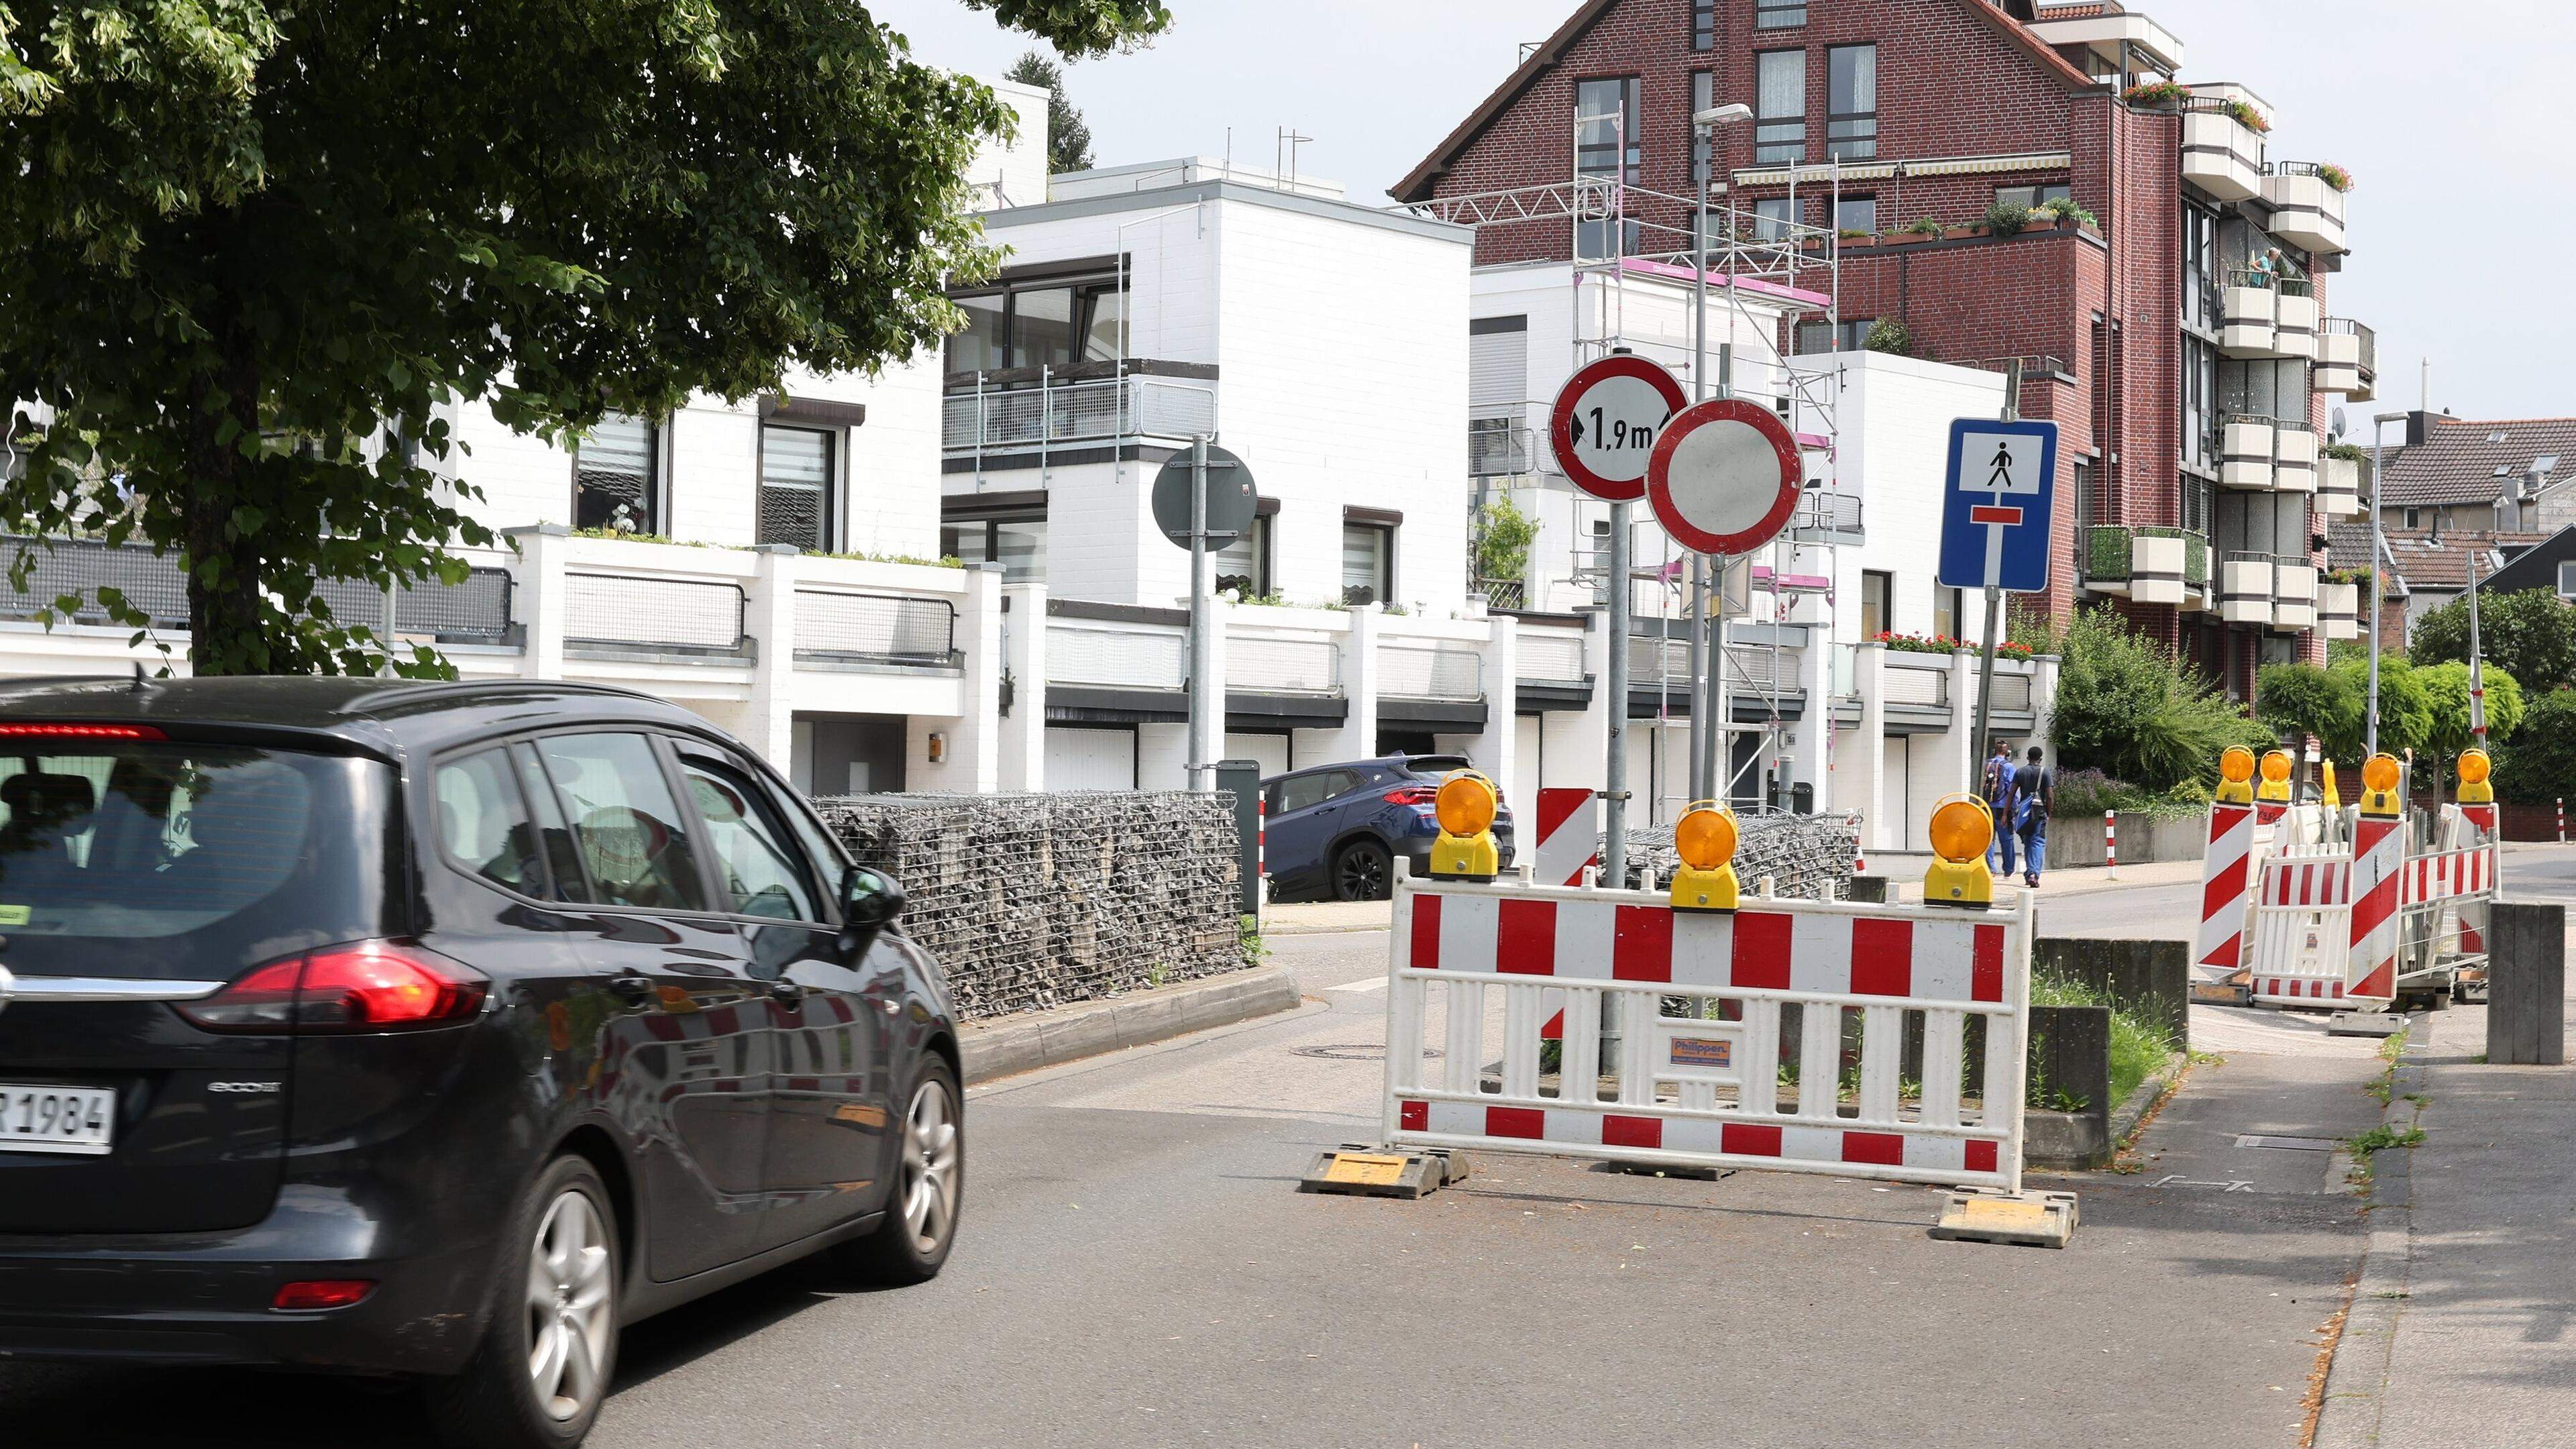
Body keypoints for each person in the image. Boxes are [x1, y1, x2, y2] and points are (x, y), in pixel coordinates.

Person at [2012, 745, 2054, 888]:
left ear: (2028, 757)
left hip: (2024, 815)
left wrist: (2006, 814)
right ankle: (2033, 874)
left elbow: (2011, 794)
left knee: (2028, 843)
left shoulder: (2020, 772)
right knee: (2038, 843)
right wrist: (2049, 813)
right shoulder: (2045, 773)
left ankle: (2029, 872)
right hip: (2039, 813)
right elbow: (2049, 796)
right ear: (2040, 759)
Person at [1980, 739, 2018, 877]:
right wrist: (2014, 808)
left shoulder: (1985, 765)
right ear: (2007, 752)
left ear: (1994, 751)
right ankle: (2008, 870)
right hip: (2003, 808)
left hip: (1985, 807)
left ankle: (1990, 869)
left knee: (1988, 839)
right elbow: (2012, 789)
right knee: (2007, 839)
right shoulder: (2009, 767)